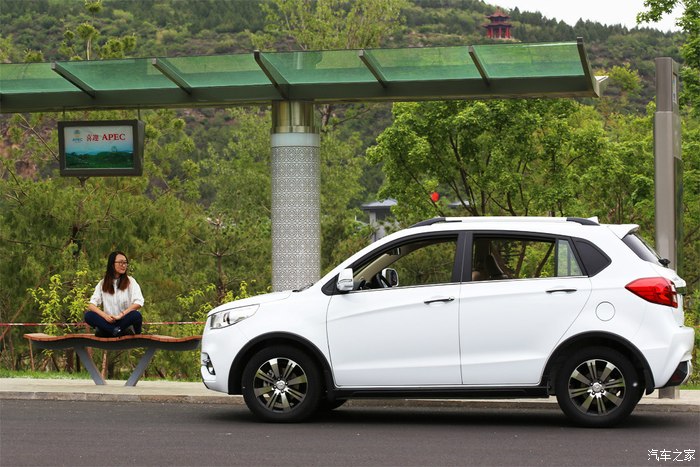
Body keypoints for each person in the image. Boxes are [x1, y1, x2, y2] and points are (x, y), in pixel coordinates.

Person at [85, 251, 144, 337]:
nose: (123, 265)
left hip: (124, 322)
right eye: (120, 262)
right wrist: (105, 316)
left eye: (125, 263)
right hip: (108, 322)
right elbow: (91, 305)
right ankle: (114, 330)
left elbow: (139, 302)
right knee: (88, 315)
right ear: (112, 264)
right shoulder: (102, 283)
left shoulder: (131, 281)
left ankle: (114, 330)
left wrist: (120, 315)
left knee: (136, 315)